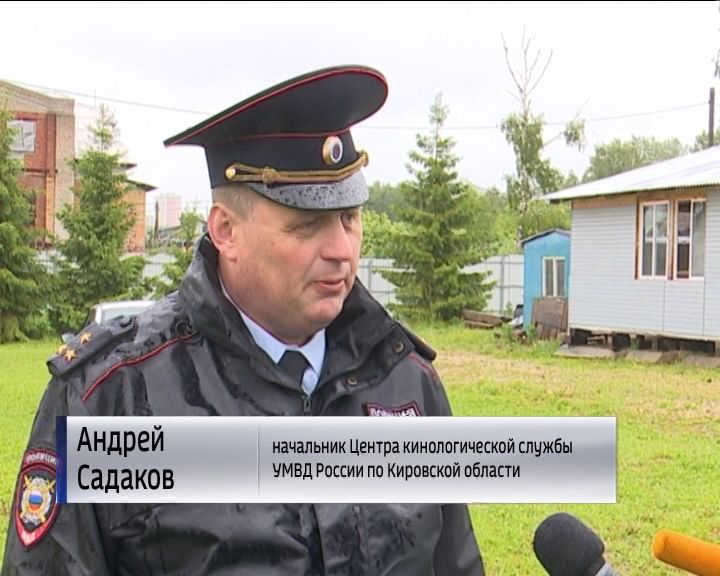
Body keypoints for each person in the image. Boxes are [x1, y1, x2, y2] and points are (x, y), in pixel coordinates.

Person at [2, 65, 484, 575]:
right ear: (226, 230)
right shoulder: (112, 398)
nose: (342, 250)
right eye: (307, 225)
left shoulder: (405, 382)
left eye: (350, 218)